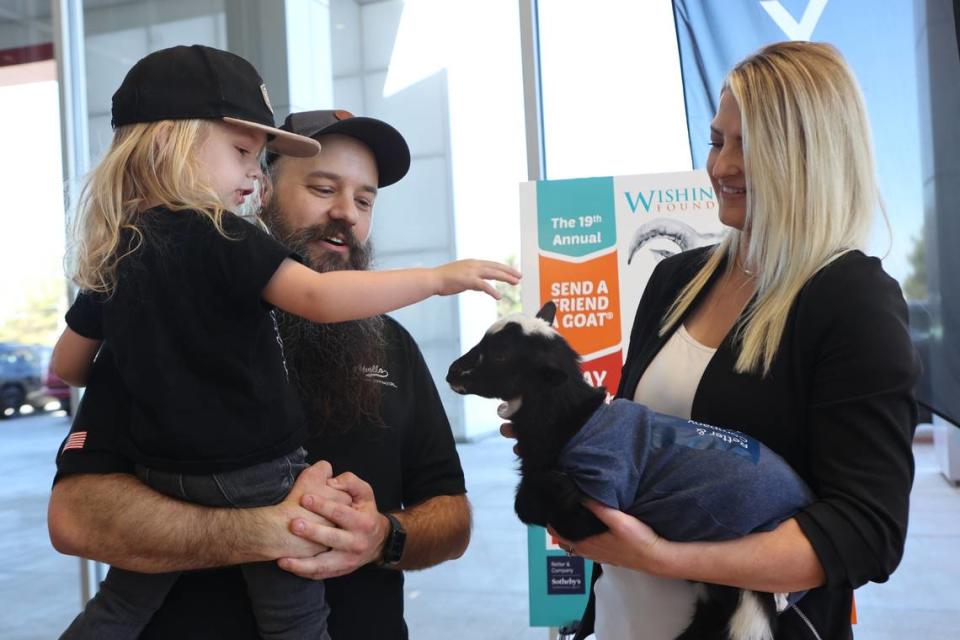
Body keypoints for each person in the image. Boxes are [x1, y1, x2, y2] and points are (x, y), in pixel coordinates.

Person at [50, 45, 517, 640]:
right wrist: (274, 529)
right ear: (261, 188)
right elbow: (73, 520)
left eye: (366, 199)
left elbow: (450, 514)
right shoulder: (171, 319)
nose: (346, 214)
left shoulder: (389, 341)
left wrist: (382, 536)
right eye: (323, 188)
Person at [527, 42, 918, 640]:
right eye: (717, 141)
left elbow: (865, 531)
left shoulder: (851, 299)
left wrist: (662, 556)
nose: (722, 167)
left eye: (751, 146)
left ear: (814, 156)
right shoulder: (677, 278)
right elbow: (638, 441)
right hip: (621, 619)